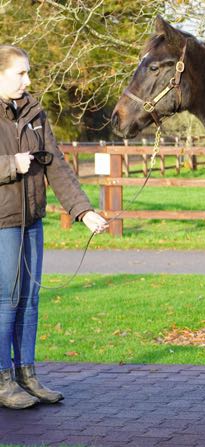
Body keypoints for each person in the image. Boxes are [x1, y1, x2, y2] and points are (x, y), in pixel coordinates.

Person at [0, 45, 108, 409]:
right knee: (7, 300)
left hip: (31, 220)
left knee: (29, 301)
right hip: (2, 223)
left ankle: (27, 375)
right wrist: (10, 164)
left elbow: (57, 166)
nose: (28, 80)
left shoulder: (34, 112)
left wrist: (83, 211)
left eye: (28, 72)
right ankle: (3, 380)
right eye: (20, 73)